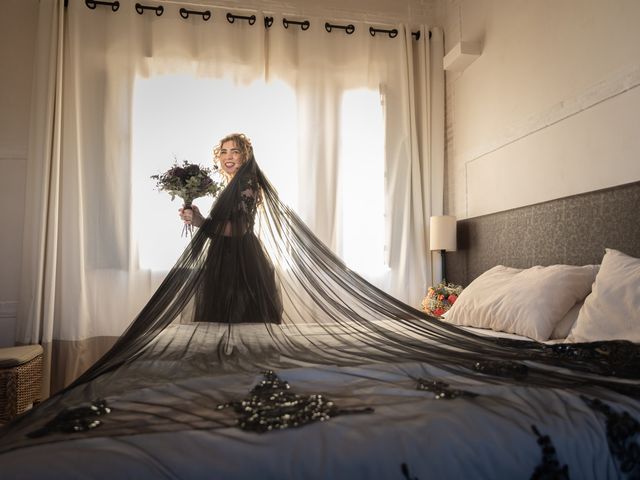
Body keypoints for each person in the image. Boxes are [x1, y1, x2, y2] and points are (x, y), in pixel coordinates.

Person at [179, 133, 283, 324]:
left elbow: (239, 229)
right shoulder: (236, 183)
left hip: (239, 263)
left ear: (245, 156)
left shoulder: (247, 181)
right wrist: (197, 218)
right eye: (224, 152)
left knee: (237, 323)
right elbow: (221, 231)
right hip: (227, 258)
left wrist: (202, 222)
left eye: (235, 151)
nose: (228, 156)